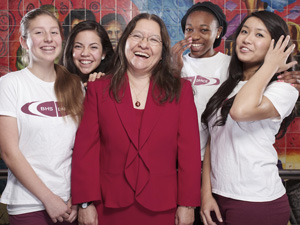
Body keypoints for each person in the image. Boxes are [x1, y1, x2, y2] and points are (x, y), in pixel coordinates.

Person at [71, 13, 201, 225]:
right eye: (137, 36)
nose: (144, 44)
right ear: (125, 43)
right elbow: (86, 151)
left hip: (162, 205)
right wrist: (85, 203)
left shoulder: (181, 90)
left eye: (153, 39)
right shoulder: (98, 89)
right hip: (108, 204)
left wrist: (187, 205)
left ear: (162, 51)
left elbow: (190, 153)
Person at [200, 10, 298, 225]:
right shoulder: (229, 86)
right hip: (219, 197)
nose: (247, 39)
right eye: (244, 31)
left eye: (259, 35)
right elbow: (213, 141)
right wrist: (206, 195)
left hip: (257, 202)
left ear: (277, 47)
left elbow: (240, 111)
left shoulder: (284, 89)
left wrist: (271, 65)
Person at [0, 8, 84, 225]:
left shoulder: (75, 86)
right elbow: (9, 152)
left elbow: (83, 148)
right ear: (25, 42)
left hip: (70, 205)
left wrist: (79, 197)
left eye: (54, 32)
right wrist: (48, 198)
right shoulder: (10, 84)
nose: (48, 39)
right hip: (29, 205)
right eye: (39, 32)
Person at [62, 20, 114, 85]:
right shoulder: (57, 80)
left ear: (104, 53)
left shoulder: (113, 83)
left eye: (93, 47)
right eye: (78, 46)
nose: (85, 53)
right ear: (70, 49)